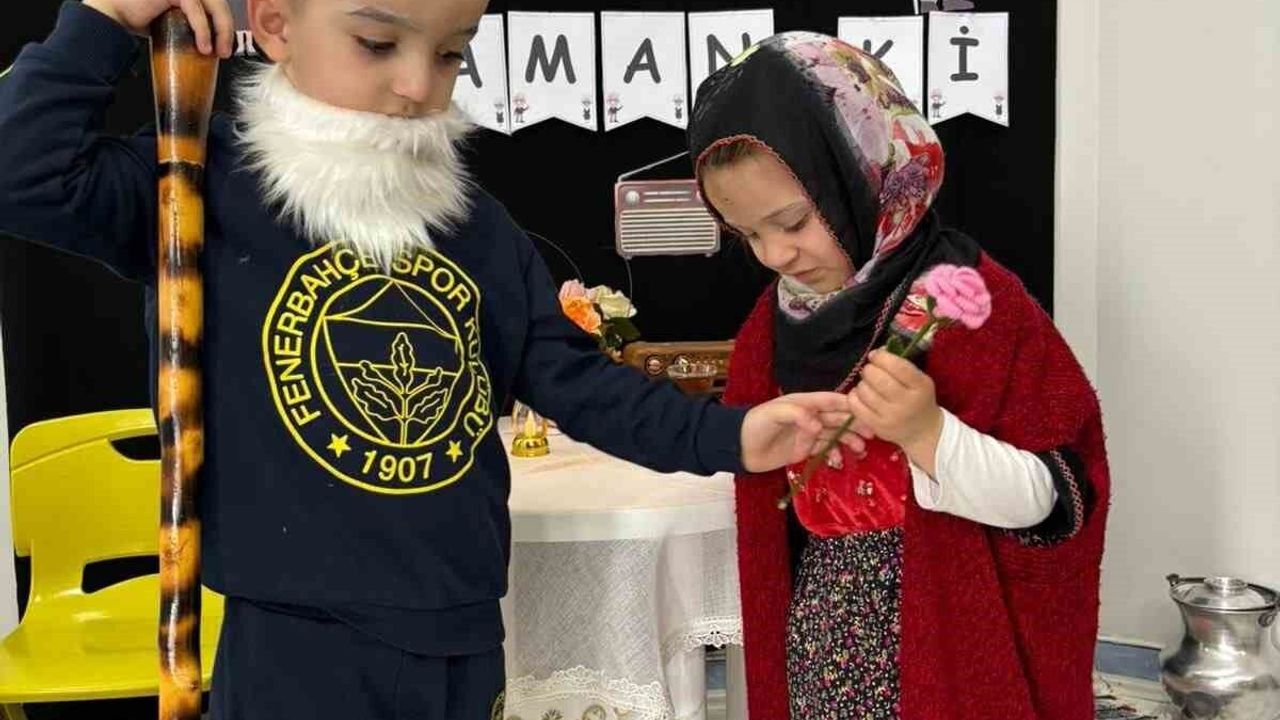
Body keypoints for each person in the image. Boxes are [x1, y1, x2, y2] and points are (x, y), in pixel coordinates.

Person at [0, 4, 862, 718]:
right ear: (276, 24)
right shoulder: (199, 188)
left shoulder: (473, 226)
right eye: (377, 43)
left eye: (450, 54)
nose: (418, 84)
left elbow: (578, 381)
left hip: (463, 627)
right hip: (294, 641)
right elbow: (18, 169)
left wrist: (731, 437)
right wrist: (103, 20)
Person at [687, 32, 1110, 719]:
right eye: (748, 235)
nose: (775, 256)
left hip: (951, 662)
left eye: (792, 221)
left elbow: (1059, 503)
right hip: (821, 656)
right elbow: (767, 520)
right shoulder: (770, 331)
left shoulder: (974, 302)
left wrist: (929, 434)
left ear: (864, 173)